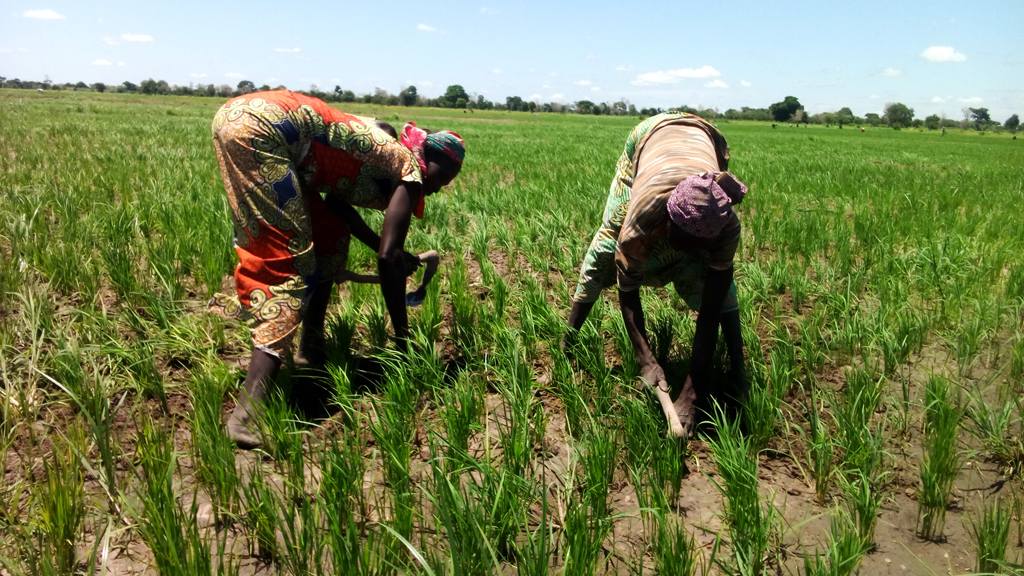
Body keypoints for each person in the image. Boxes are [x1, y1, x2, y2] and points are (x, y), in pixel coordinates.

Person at [210, 90, 464, 448]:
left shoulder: (377, 155)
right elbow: (388, 260)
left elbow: (339, 209)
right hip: (265, 130)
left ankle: (310, 349)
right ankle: (246, 416)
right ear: (427, 156)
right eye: (443, 173)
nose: (441, 185)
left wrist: (386, 249)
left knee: (328, 240)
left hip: (245, 118)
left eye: (449, 181)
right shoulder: (409, 168)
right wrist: (402, 338)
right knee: (287, 267)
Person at [566, 112, 747, 437]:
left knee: (719, 285)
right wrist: (645, 358)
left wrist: (693, 389)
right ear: (666, 223)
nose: (686, 253)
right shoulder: (642, 218)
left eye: (697, 247)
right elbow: (628, 292)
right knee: (604, 247)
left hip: (706, 137)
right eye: (682, 244)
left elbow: (711, 306)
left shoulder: (725, 225)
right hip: (648, 137)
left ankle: (738, 369)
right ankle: (566, 345)